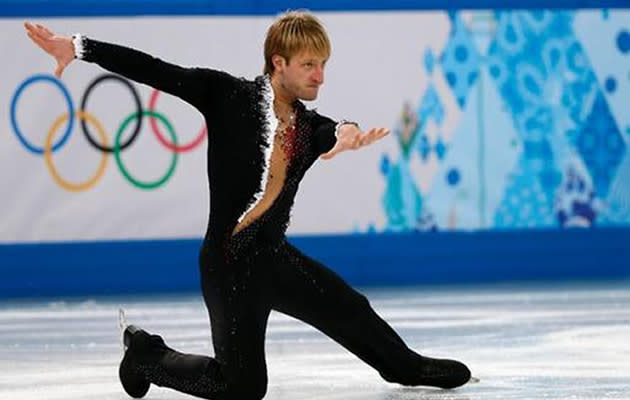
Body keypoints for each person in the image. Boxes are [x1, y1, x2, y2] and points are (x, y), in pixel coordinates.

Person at [24, 11, 472, 400]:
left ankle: (406, 367)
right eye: (310, 65)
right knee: (241, 388)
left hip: (274, 259)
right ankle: (147, 354)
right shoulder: (225, 96)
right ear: (279, 63)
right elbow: (155, 69)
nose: (320, 76)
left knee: (350, 307)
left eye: (323, 65)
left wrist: (347, 135)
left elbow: (333, 131)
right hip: (228, 265)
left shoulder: (308, 125)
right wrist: (79, 47)